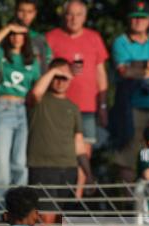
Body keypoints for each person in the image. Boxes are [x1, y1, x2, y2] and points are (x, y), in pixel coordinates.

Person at [110, 0, 149, 182]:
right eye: (134, 18)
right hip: (131, 106)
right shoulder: (121, 42)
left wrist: (144, 65)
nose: (138, 21)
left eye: (142, 17)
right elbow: (125, 71)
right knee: (130, 156)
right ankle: (130, 205)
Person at [26, 58, 93, 224]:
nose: (61, 81)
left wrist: (88, 174)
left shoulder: (73, 107)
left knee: (64, 220)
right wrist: (54, 71)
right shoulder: (39, 100)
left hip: (69, 168)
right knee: (45, 218)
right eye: (57, 76)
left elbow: (79, 143)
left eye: (65, 77)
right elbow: (35, 93)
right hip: (43, 167)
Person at [0, 22, 42, 199]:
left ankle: (19, 208)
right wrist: (8, 28)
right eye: (13, 34)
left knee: (20, 162)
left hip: (23, 110)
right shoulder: (2, 55)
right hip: (3, 106)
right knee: (1, 161)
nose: (16, 38)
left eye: (20, 35)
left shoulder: (32, 61)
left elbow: (37, 87)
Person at [45, 0, 108, 154]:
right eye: (70, 14)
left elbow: (101, 73)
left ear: (84, 17)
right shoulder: (51, 37)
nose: (74, 19)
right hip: (58, 105)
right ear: (64, 16)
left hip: (87, 106)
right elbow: (43, 71)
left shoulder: (94, 38)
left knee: (84, 153)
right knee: (58, 149)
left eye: (78, 15)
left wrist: (103, 105)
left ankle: (82, 179)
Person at [14, 0, 52, 70]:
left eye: (29, 12)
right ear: (15, 11)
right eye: (21, 11)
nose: (25, 15)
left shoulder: (39, 39)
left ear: (35, 14)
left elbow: (46, 66)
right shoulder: (5, 35)